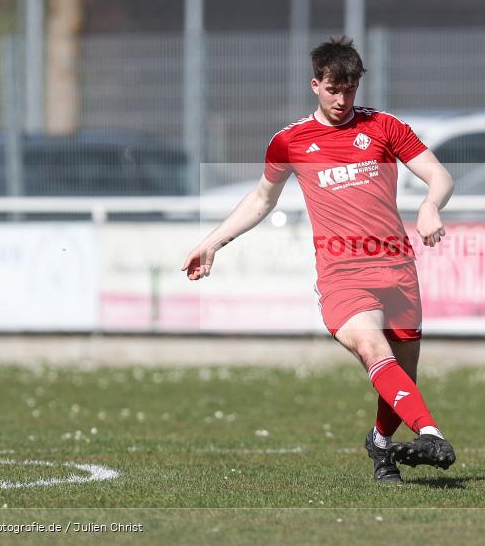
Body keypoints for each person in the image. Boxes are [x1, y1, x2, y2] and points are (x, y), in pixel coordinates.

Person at [182, 36, 456, 483]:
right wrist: (213, 241)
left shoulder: (384, 127)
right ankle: (430, 432)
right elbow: (260, 199)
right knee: (373, 348)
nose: (342, 99)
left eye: (350, 90)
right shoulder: (290, 141)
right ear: (315, 84)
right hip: (341, 272)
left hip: (396, 267)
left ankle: (381, 444)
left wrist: (430, 206)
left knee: (403, 376)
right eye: (334, 89)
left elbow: (439, 174)